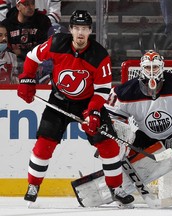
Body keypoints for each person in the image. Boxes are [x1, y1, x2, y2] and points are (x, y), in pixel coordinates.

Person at [17, 10, 134, 206]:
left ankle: (116, 188)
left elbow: (102, 91)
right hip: (58, 101)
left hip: (87, 103)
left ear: (90, 31)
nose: (80, 33)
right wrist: (28, 80)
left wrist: (94, 112)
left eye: (85, 29)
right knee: (44, 145)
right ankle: (33, 185)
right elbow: (32, 56)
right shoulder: (57, 43)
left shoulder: (99, 55)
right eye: (77, 28)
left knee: (108, 146)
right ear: (70, 29)